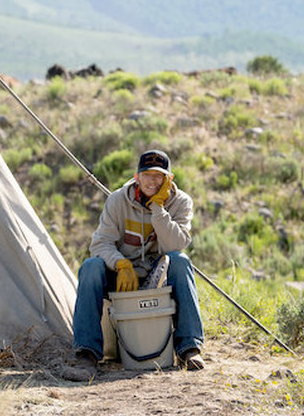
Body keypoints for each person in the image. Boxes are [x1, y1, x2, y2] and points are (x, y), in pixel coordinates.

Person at [72, 149, 205, 372]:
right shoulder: (117, 200)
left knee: (180, 262)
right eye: (147, 175)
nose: (152, 181)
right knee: (91, 267)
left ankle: (189, 349)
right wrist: (120, 264)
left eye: (158, 176)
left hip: (158, 274)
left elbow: (175, 245)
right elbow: (100, 243)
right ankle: (87, 354)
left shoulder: (181, 202)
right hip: (122, 274)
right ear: (136, 177)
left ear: (168, 179)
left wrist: (158, 208)